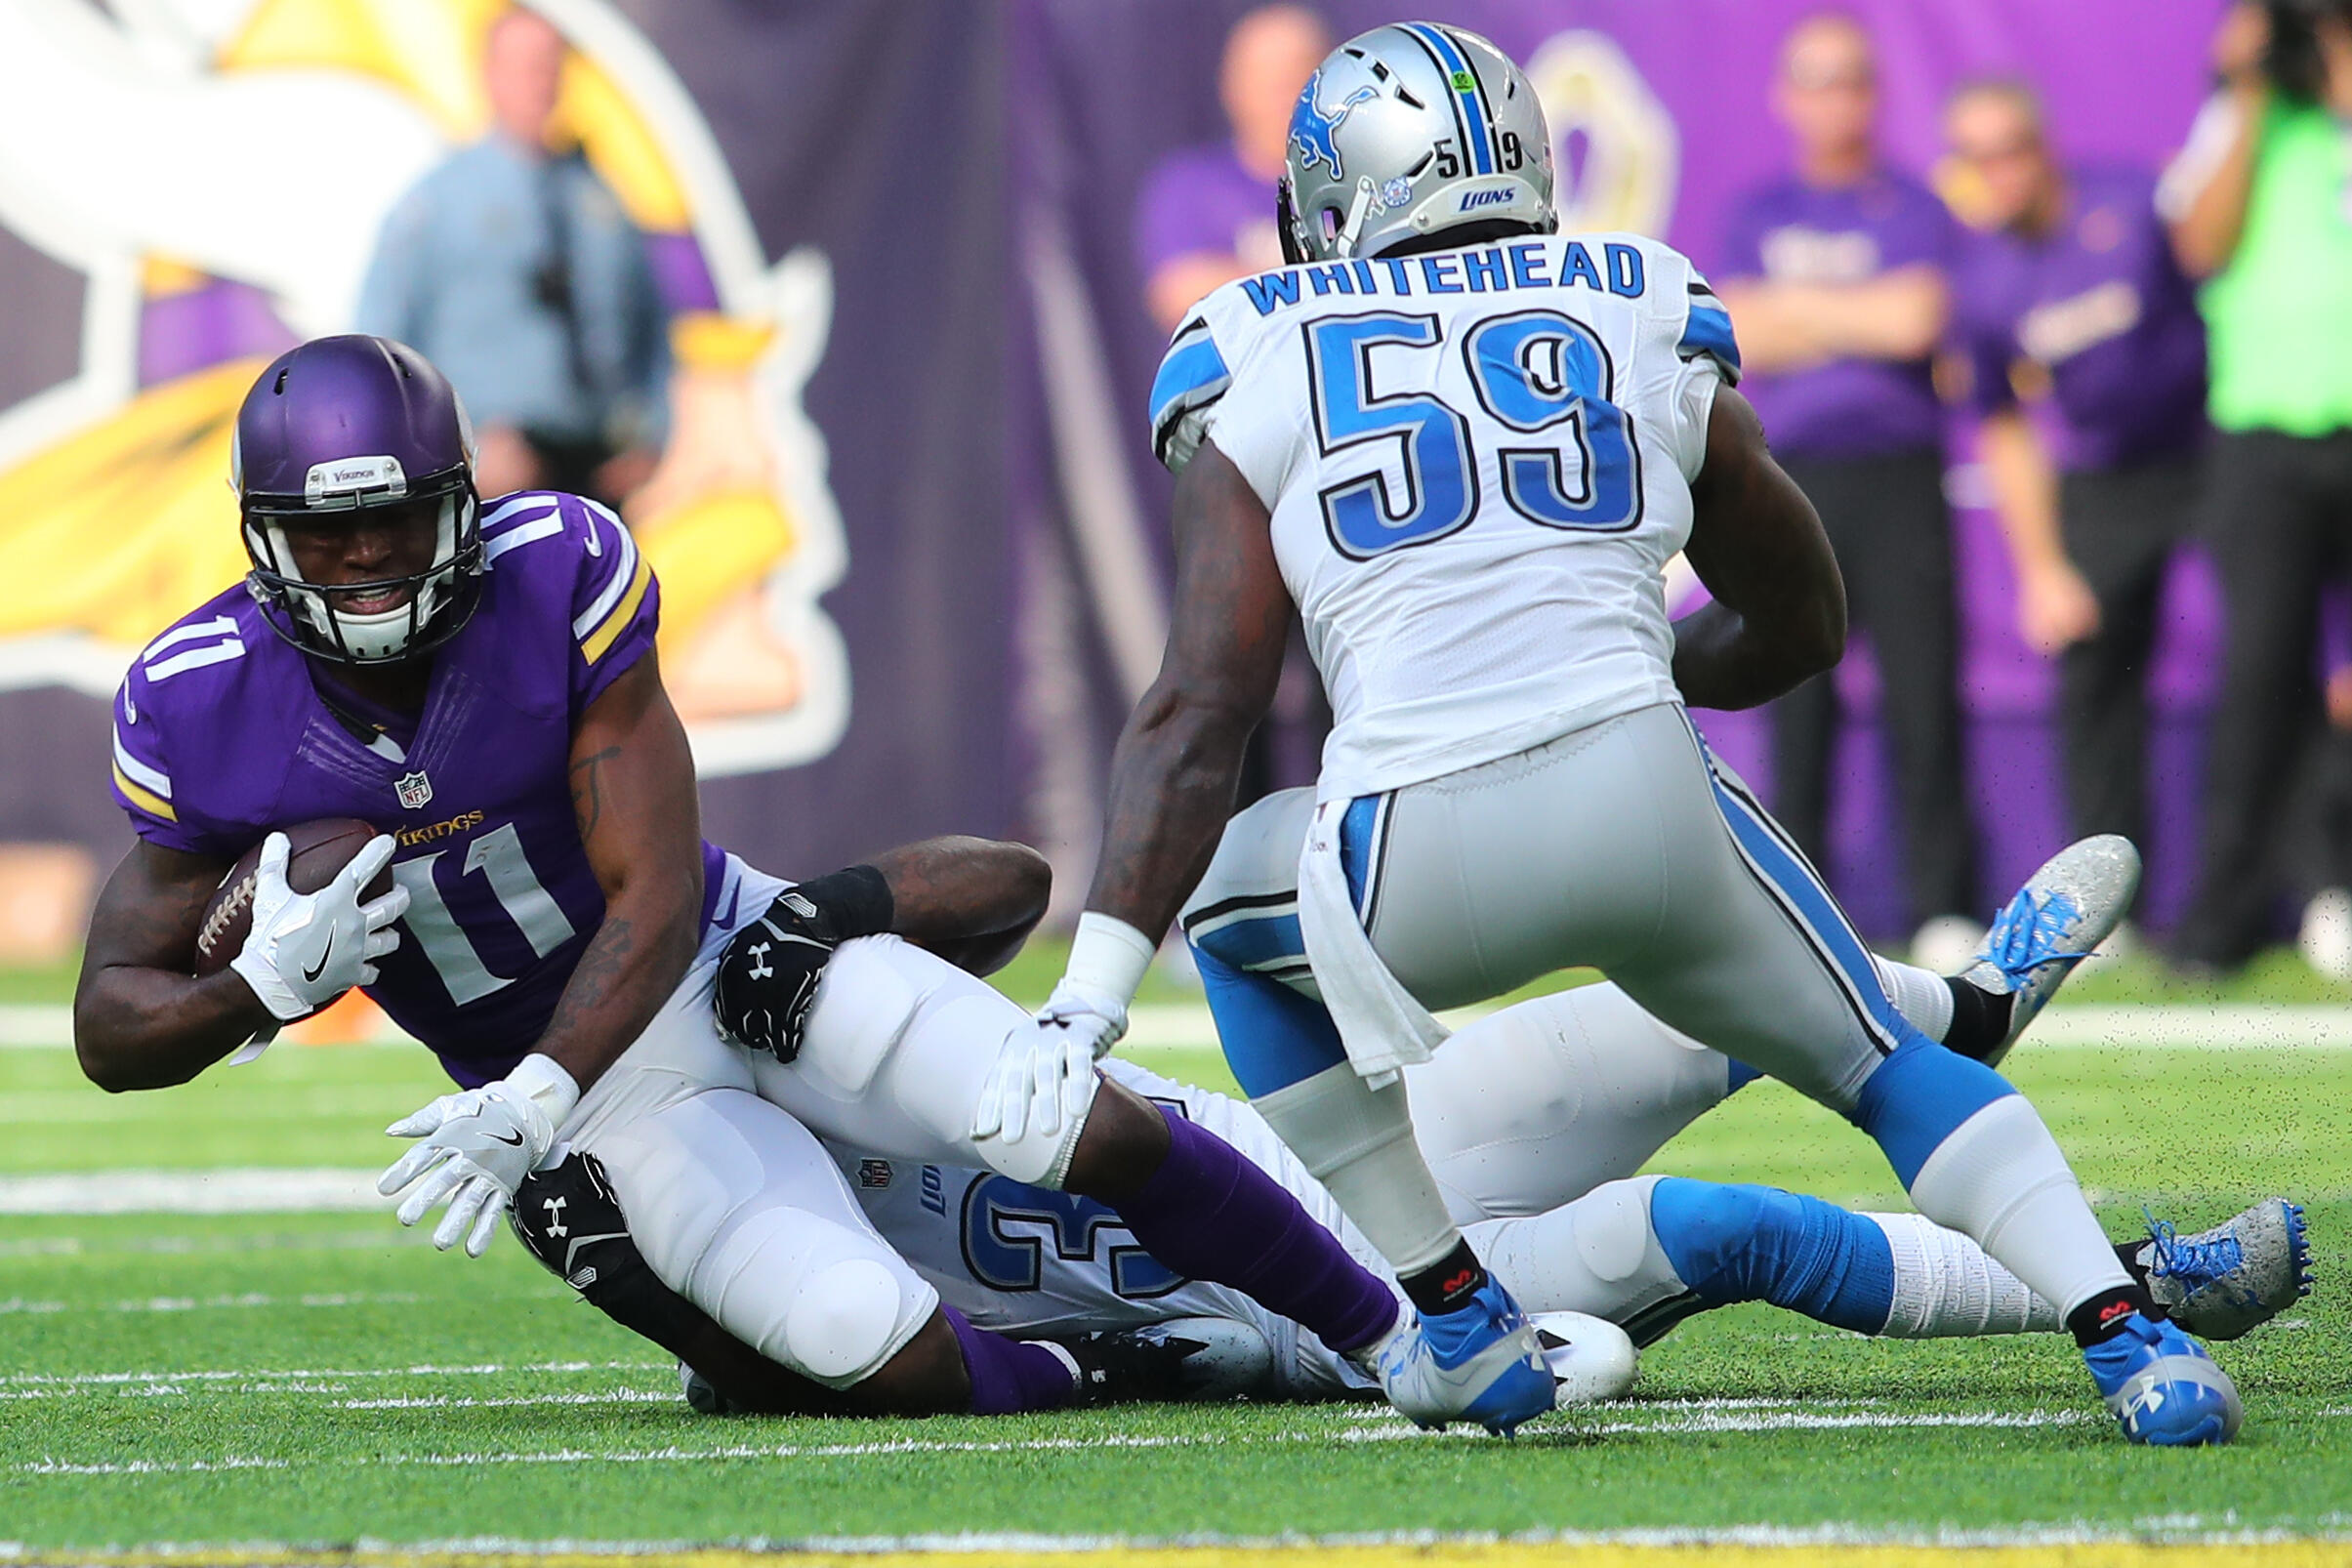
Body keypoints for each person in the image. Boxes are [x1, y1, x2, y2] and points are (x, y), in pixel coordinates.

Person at [961, 21, 2240, 1444]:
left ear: (1346, 193)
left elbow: (1201, 709)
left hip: (1407, 859)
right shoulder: (1632, 293)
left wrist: (1086, 995)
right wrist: (1638, 673)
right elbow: (1804, 621)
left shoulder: (1253, 341)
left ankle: (1442, 1307)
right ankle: (2134, 1344)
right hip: (1647, 800)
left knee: (1231, 907)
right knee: (1883, 1061)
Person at [71, 335, 1420, 1423]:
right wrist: (243, 987)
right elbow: (110, 1027)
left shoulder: (556, 575)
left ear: (461, 507)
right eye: (328, 535)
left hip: (727, 965)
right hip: (610, 1102)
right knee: (860, 1340)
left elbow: (655, 891)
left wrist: (533, 1089)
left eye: (394, 524)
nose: (365, 565)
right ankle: (1114, 1365)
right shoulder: (200, 700)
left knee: (1060, 1119)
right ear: (262, 539)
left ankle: (1404, 1332)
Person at [518, 836, 2307, 1412]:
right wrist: (659, 1300)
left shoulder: (797, 1018)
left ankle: (1961, 1010)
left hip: (1348, 1125)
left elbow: (1008, 880)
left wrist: (831, 907)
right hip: (1348, 1289)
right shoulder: (723, 1208)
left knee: (1684, 1004)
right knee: (1718, 1233)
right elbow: (825, 1359)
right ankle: (2130, 1286)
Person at [1712, 13, 1981, 970]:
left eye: (1851, 80)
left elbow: (1918, 321)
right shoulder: (1757, 209)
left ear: (1874, 95)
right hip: (1794, 479)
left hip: (1900, 478)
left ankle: (1947, 904)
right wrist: (1848, 315)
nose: (1835, 99)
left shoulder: (1915, 204)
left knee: (1922, 691)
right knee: (1797, 693)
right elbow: (1742, 330)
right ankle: (1804, 904)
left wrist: (1800, 310)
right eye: (1816, 81)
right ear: (1788, 98)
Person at [1943, 78, 2208, 933]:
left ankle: (2301, 890)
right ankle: (2111, 914)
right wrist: (2040, 567)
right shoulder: (1985, 279)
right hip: (2102, 480)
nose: (1999, 173)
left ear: (2041, 144)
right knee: (2091, 670)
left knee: (2273, 649)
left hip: (2212, 448)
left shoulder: (2129, 206)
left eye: (2009, 149)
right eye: (1977, 158)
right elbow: (2002, 426)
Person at [2160, 0, 2352, 972]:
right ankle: (2225, 915)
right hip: (2266, 439)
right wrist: (2251, 88)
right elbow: (2199, 243)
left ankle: (2338, 885)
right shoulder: (2243, 117)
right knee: (2260, 678)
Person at [355, 7, 669, 506]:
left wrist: (651, 436)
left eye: (550, 64)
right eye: (523, 66)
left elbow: (654, 329)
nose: (539, 82)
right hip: (492, 471)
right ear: (489, 75)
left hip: (600, 468)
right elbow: (382, 352)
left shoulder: (603, 202)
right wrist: (459, 448)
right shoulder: (437, 205)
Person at [1135, 6, 1332, 337]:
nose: (1283, 94)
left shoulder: (1366, 181)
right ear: (1232, 87)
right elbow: (1182, 293)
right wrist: (1326, 285)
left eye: (1299, 72)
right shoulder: (1189, 186)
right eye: (1265, 77)